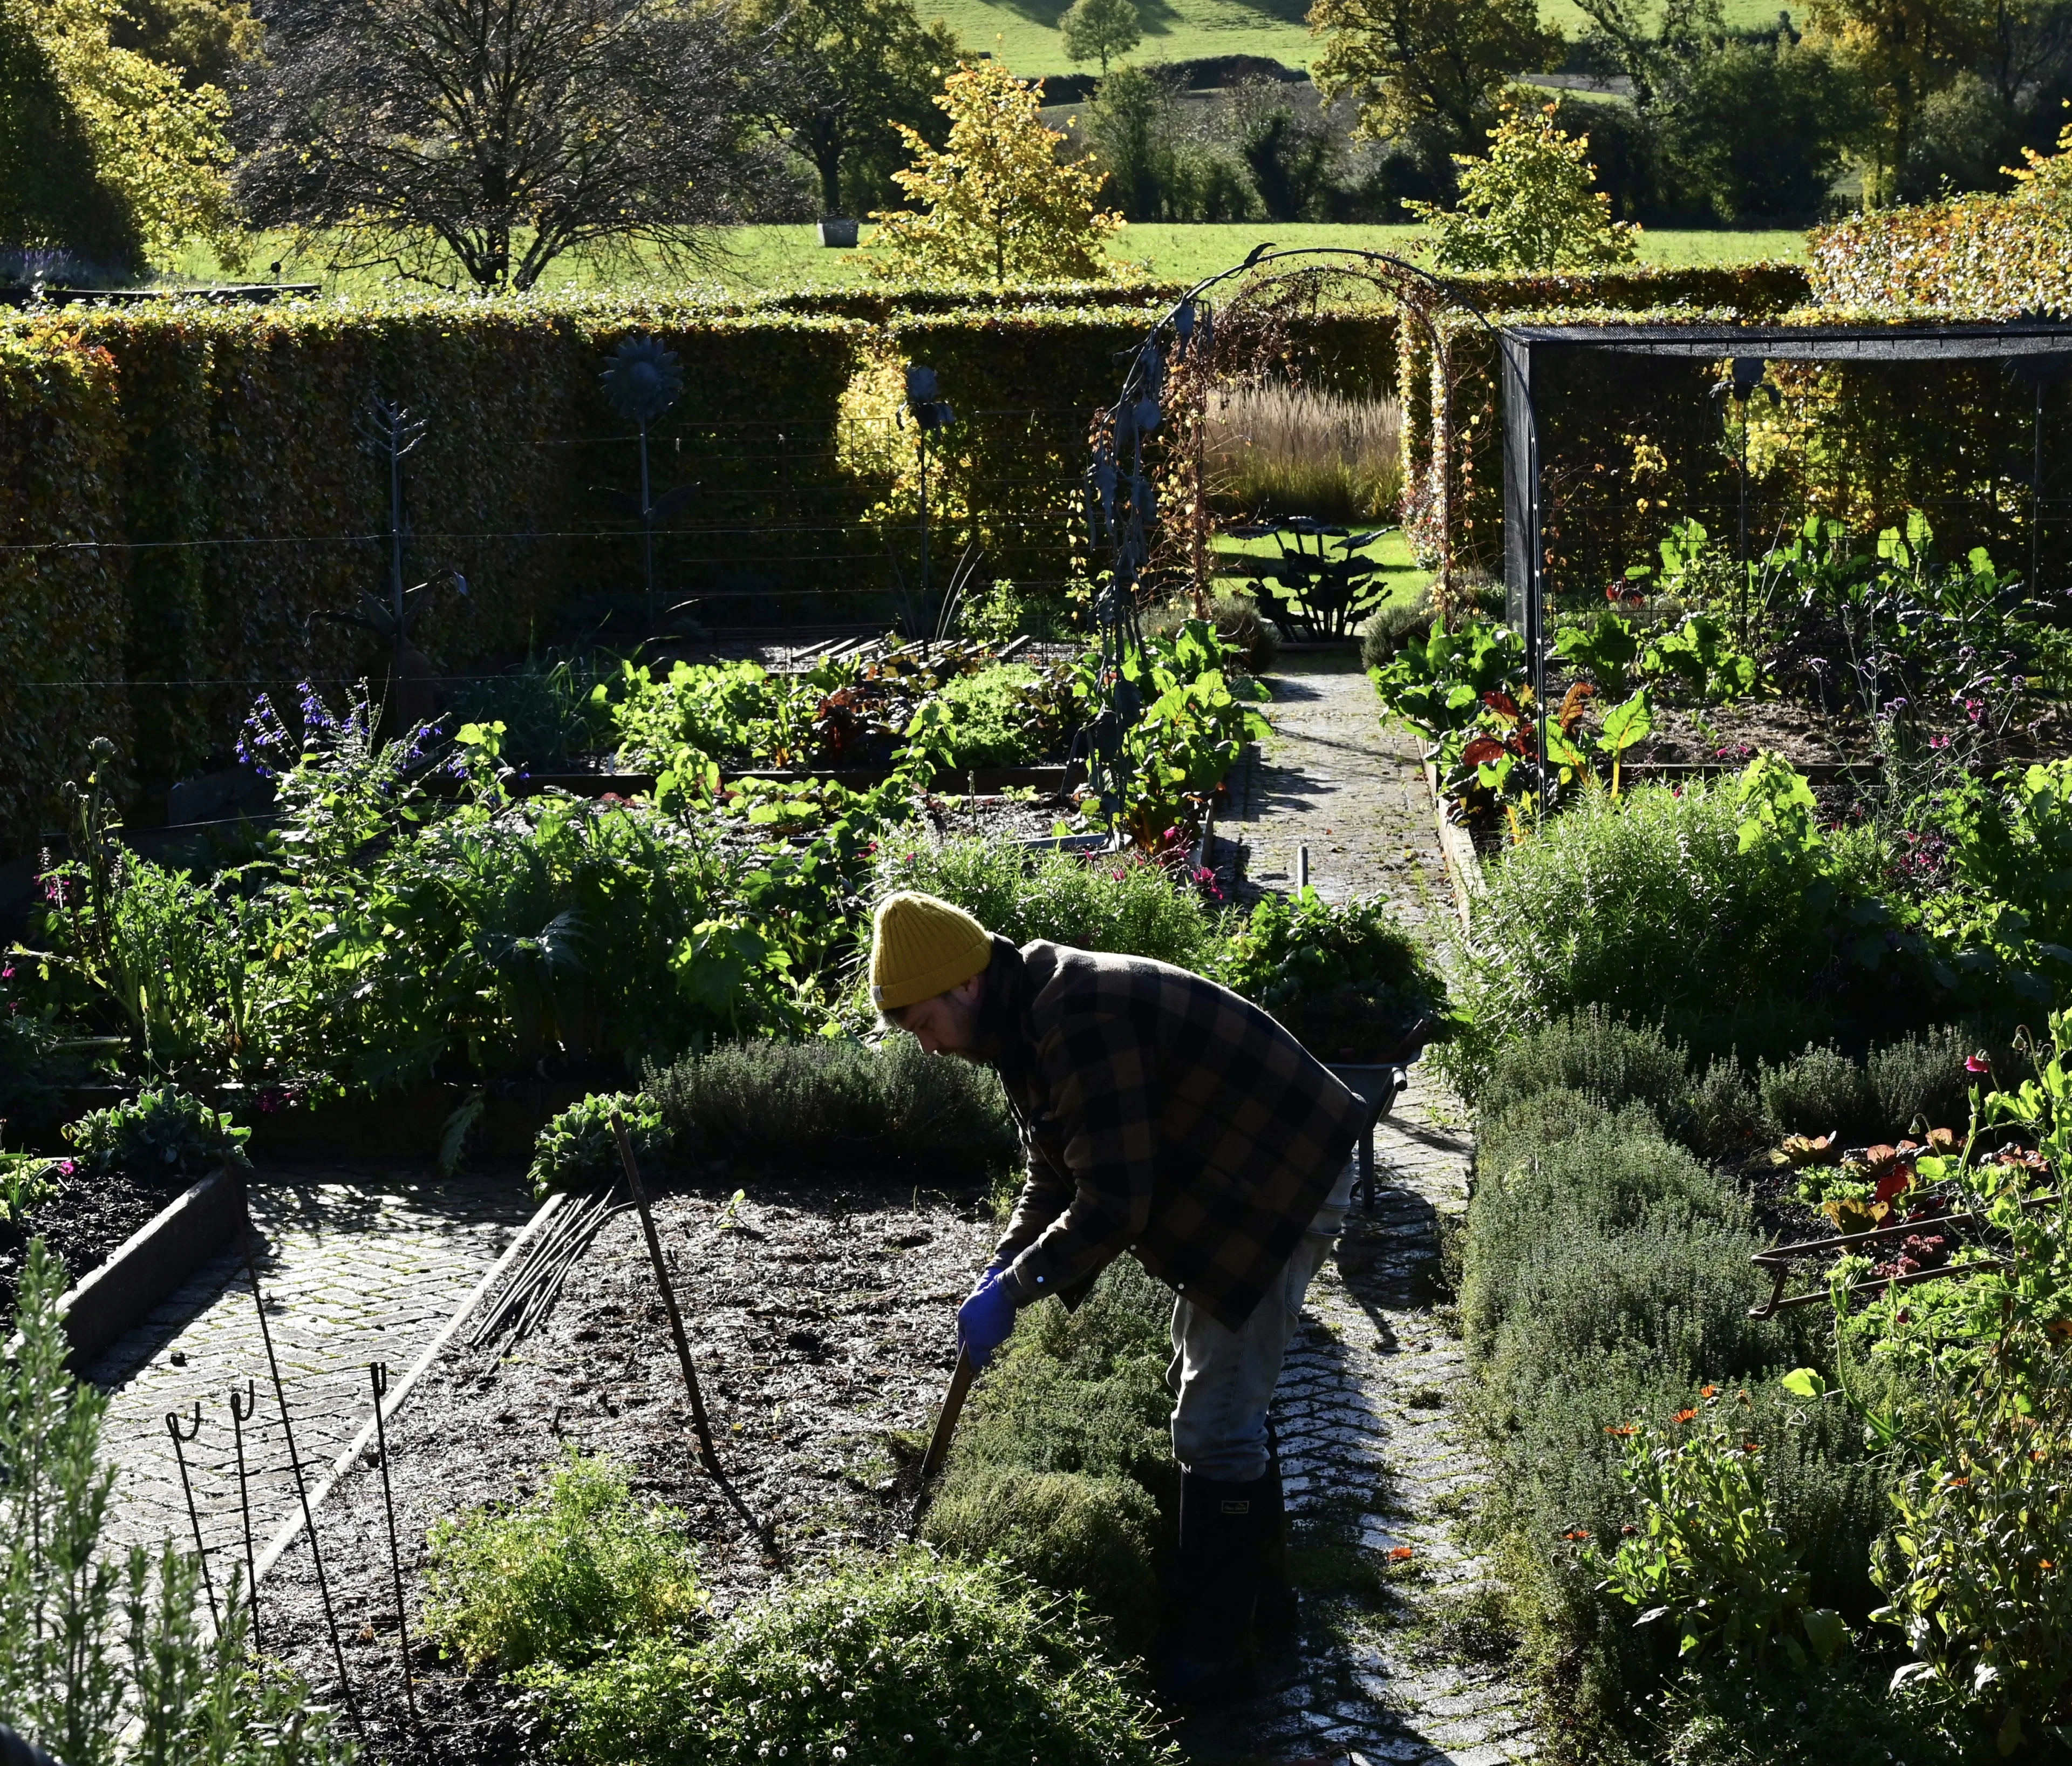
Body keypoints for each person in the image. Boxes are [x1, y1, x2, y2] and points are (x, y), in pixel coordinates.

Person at [870, 888, 1369, 1699]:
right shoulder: (1021, 1022)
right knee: (1208, 1399)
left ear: (963, 985)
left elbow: (1112, 1207)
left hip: (1280, 1177)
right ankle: (1267, 1612)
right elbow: (1054, 1169)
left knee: (1214, 1426)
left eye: (922, 1023)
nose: (924, 1048)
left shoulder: (1077, 1017)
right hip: (1223, 1175)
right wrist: (1001, 1269)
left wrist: (1024, 1287)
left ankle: (1218, 1661)